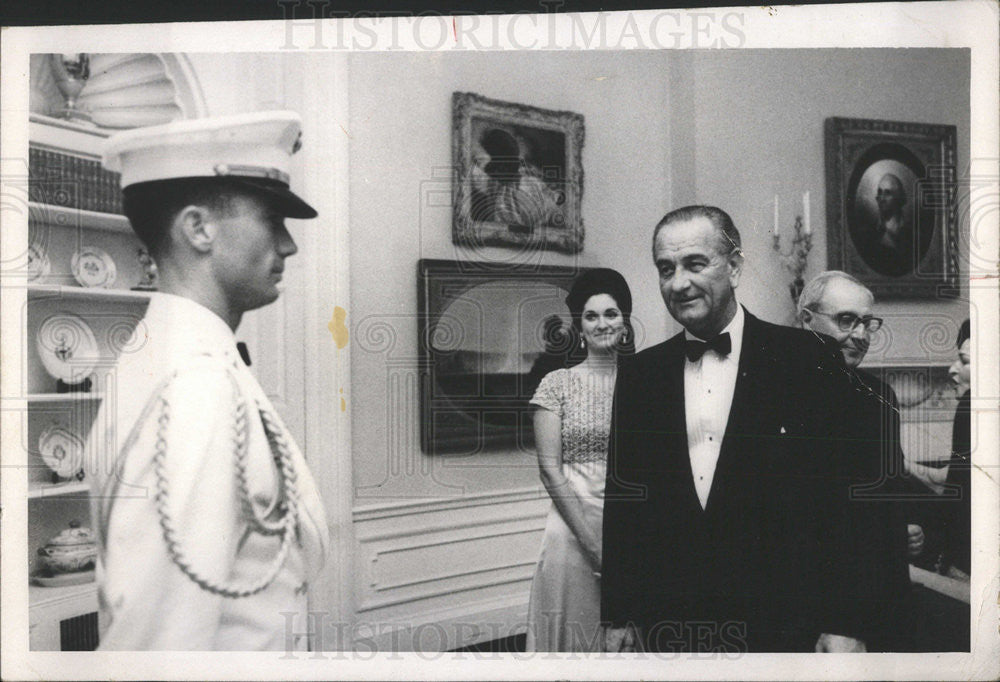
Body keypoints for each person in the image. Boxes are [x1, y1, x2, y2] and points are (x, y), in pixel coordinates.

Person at [87, 112, 329, 650]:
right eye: (272, 220)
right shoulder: (195, 390)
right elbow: (161, 645)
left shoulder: (177, 360)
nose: (288, 245)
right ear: (199, 229)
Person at [602, 205, 866, 653]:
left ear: (736, 266)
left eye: (695, 264)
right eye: (666, 269)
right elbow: (625, 501)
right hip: (675, 626)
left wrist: (845, 621)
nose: (678, 283)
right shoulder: (641, 373)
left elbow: (844, 499)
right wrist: (618, 614)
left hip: (784, 623)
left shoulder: (807, 357)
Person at [798, 270, 924, 651]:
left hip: (888, 605)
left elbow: (887, 487)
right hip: (820, 619)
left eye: (867, 322)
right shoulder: (774, 395)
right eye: (846, 320)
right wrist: (839, 624)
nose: (861, 335)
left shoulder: (880, 395)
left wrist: (908, 524)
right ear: (806, 319)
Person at [526, 268, 634, 652]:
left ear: (625, 322)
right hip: (571, 531)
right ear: (580, 326)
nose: (602, 323)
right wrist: (594, 547)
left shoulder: (643, 382)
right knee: (574, 637)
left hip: (630, 526)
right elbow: (549, 469)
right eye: (592, 316)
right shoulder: (557, 384)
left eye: (611, 314)